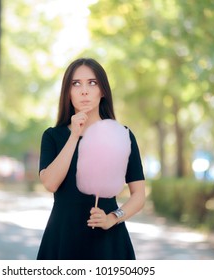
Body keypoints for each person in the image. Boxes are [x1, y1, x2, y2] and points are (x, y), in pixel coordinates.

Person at [37, 57, 146, 260]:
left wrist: (113, 218)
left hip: (108, 242)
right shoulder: (53, 136)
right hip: (63, 238)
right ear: (67, 93)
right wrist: (74, 136)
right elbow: (50, 183)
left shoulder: (122, 135)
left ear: (102, 91)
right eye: (76, 84)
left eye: (92, 83)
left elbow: (139, 195)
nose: (84, 90)